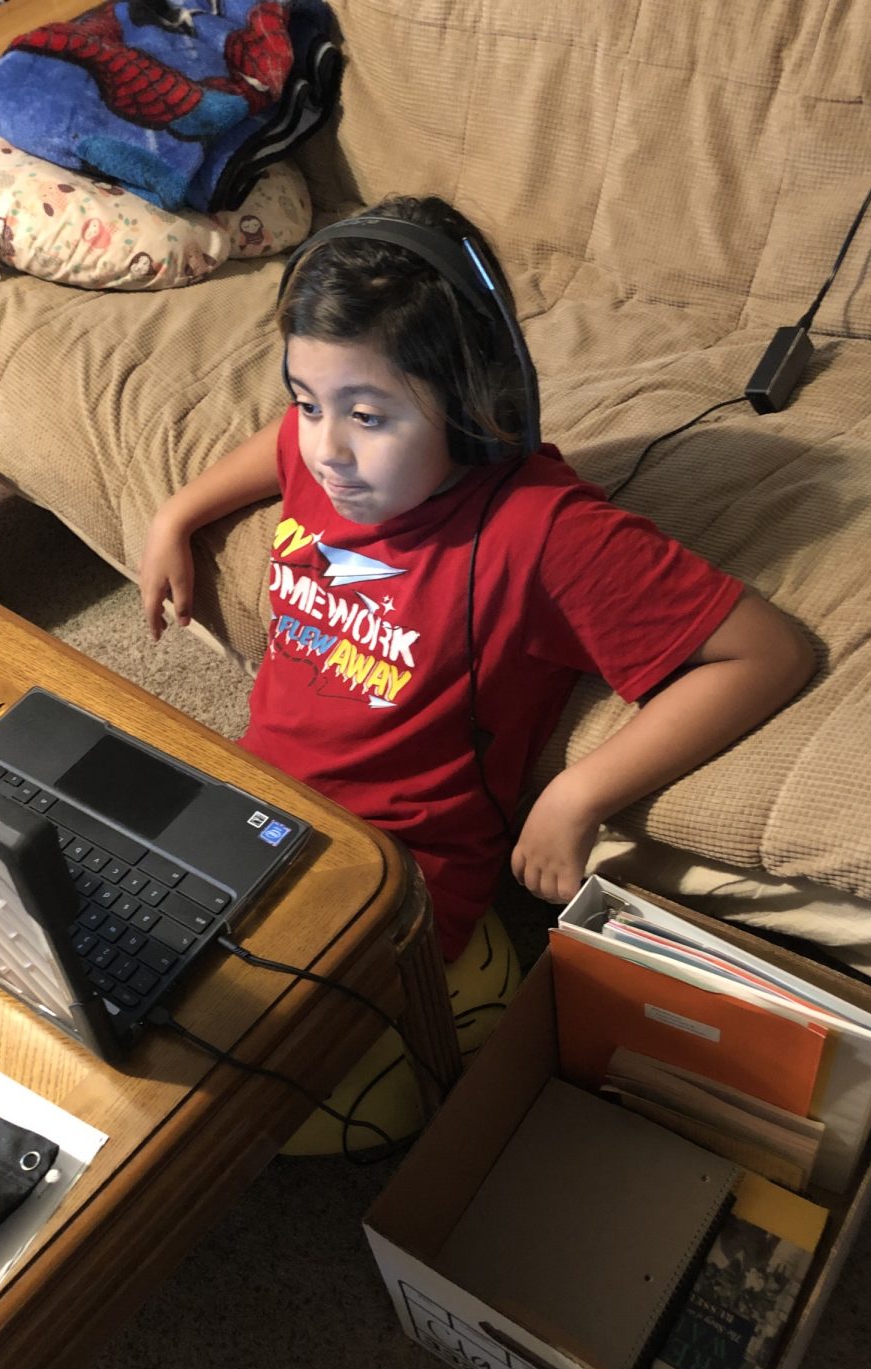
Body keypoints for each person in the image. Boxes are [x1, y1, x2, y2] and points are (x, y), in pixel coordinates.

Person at [138, 194, 815, 1147]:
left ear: (470, 405)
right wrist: (178, 513)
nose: (326, 450)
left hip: (389, 882)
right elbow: (283, 444)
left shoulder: (545, 533)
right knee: (96, 951)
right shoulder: (326, 453)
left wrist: (578, 795)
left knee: (188, 1101)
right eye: (308, 400)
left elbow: (769, 653)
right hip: (251, 812)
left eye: (367, 415)